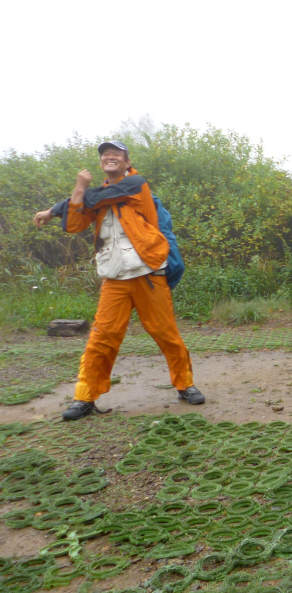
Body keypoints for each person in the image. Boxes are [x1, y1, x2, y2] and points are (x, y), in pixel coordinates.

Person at [33, 141, 204, 421]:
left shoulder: (136, 184)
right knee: (102, 338)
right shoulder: (96, 195)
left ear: (127, 162)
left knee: (166, 334)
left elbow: (95, 197)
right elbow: (75, 224)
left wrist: (58, 206)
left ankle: (185, 385)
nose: (110, 157)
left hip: (149, 275)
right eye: (105, 154)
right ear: (101, 163)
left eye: (117, 154)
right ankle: (84, 397)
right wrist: (73, 195)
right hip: (115, 280)